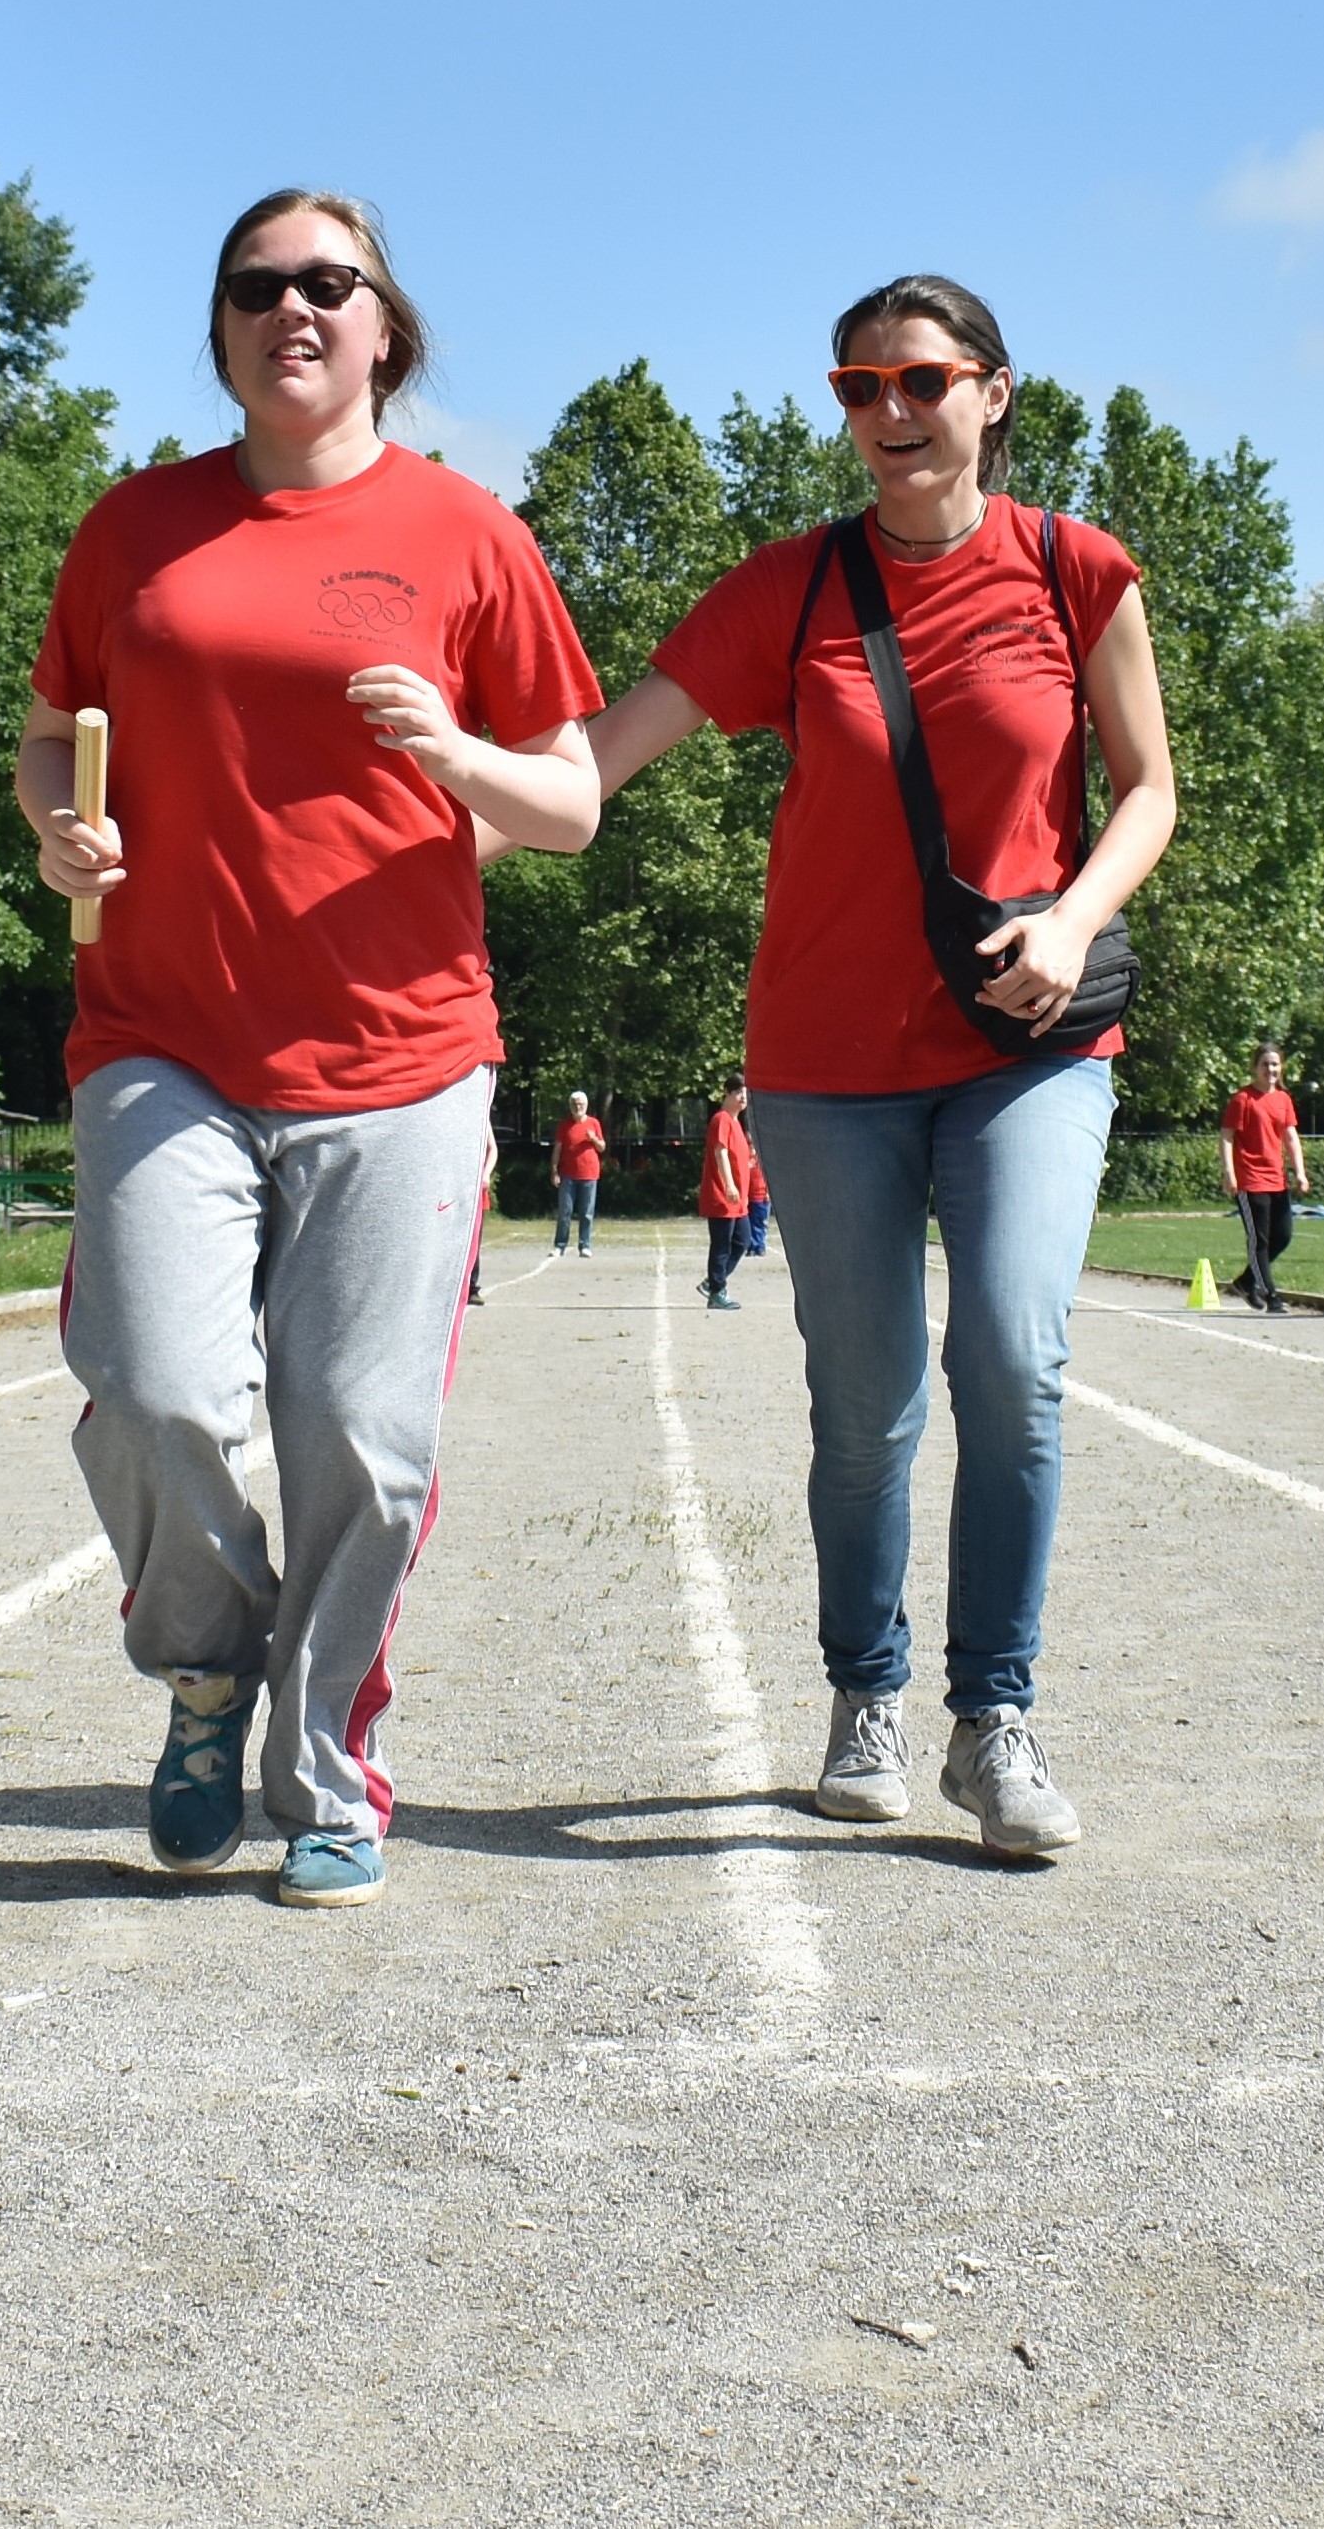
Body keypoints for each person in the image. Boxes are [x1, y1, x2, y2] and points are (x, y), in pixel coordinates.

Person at [488, 274, 1176, 1859]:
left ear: (992, 393)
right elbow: (592, 760)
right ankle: (864, 1690)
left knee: (1010, 1356)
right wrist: (422, 826)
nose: (886, 416)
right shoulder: (791, 592)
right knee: (862, 1408)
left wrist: (1073, 921)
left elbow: (1144, 791)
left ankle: (992, 1715)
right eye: (857, 388)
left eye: (918, 383)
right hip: (822, 1062)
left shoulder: (1076, 571)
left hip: (1027, 1044)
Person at [19, 187, 600, 1909]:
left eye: (325, 283)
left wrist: (454, 755)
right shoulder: (132, 531)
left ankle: (327, 1763)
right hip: (159, 1037)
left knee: (357, 1426)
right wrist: (61, 828)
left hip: (399, 1049)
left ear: (380, 324)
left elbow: (565, 799)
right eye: (255, 285)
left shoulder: (465, 535)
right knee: (153, 1386)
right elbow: (53, 740)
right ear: (218, 327)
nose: (292, 306)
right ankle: (207, 1665)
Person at [1220, 1041, 1306, 1314]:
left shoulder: (1283, 1100)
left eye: (1275, 1064)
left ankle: (1246, 1281)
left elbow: (1290, 1137)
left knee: (1282, 1235)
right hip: (1250, 1179)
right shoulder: (1243, 1099)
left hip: (1277, 1179)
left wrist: (1300, 1172)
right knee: (1259, 1240)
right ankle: (1271, 1295)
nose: (1270, 1069)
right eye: (1265, 1064)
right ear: (1255, 1067)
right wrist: (1229, 1173)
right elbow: (1227, 1137)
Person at [698, 1074, 753, 1310]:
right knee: (722, 1245)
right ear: (727, 1093)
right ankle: (717, 1292)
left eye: (746, 1093)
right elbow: (720, 1153)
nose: (743, 1097)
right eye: (738, 1092)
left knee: (743, 1240)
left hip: (738, 1199)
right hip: (723, 1195)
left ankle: (713, 1282)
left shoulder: (736, 1123)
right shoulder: (721, 1120)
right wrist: (729, 1184)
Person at [552, 1091, 607, 1256]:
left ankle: (585, 1245)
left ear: (586, 1106)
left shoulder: (594, 1123)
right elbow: (557, 1149)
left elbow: (602, 1147)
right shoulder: (564, 1125)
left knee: (587, 1213)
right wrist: (554, 1170)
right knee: (564, 1213)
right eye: (575, 1104)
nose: (578, 1107)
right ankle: (559, 1246)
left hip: (589, 1175)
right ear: (570, 1106)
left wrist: (594, 1139)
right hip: (567, 1175)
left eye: (581, 1104)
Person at [467, 1122, 499, 1304]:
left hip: (477, 1189)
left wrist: (486, 1174)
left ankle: (471, 1287)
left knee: (474, 1242)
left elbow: (492, 1149)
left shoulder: (481, 1116)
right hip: (453, 1188)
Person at [743, 1136, 773, 1259]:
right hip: (749, 1197)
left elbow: (769, 1178)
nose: (751, 1147)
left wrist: (768, 1193)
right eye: (749, 1144)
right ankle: (751, 1246)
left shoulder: (762, 1160)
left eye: (752, 1144)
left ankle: (760, 1246)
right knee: (749, 1223)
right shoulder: (747, 1161)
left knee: (760, 1223)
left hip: (761, 1197)